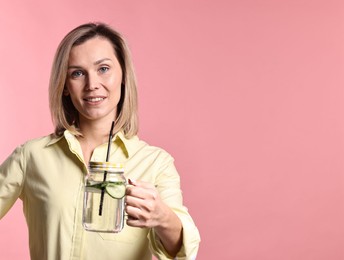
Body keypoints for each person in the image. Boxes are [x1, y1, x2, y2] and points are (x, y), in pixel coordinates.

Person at [0, 22, 200, 260]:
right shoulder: (31, 156)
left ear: (123, 75)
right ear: (64, 86)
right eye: (77, 73)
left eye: (103, 69)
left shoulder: (156, 163)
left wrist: (162, 217)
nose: (92, 84)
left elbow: (183, 251)